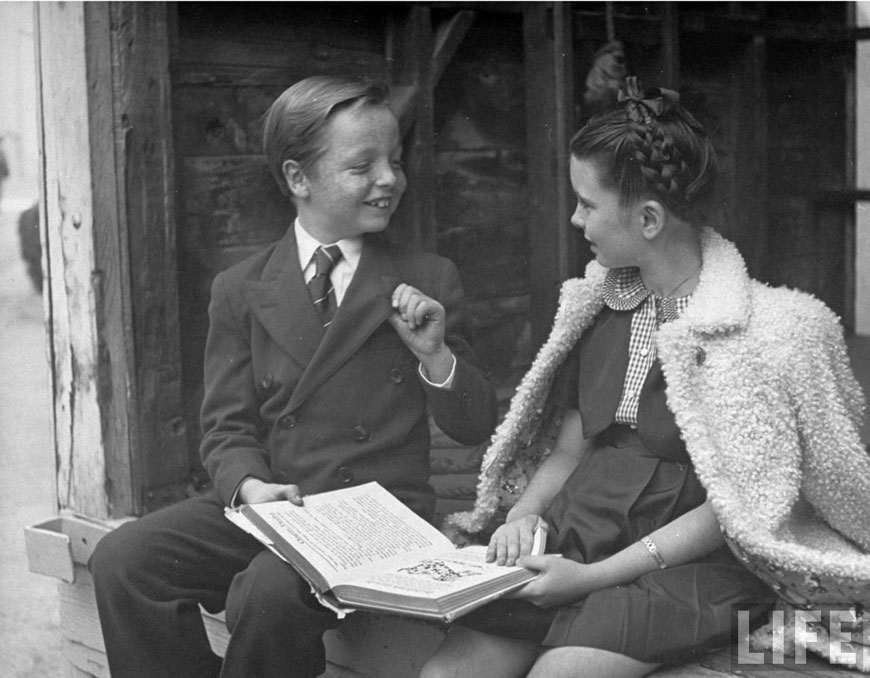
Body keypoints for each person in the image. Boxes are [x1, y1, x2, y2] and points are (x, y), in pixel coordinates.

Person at [422, 77, 870, 678]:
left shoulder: (765, 333)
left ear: (650, 219)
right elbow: (571, 447)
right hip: (580, 531)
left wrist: (591, 579)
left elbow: (738, 507)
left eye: (587, 203)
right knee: (444, 675)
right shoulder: (598, 307)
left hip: (689, 562)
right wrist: (524, 514)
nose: (575, 218)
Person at [88, 75, 498, 678]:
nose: (389, 179)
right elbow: (225, 428)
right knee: (124, 558)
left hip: (376, 522)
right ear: (298, 179)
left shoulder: (426, 279)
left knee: (267, 591)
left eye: (395, 160)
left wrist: (435, 356)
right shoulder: (241, 290)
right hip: (279, 511)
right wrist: (251, 488)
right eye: (363, 166)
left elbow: (473, 424)